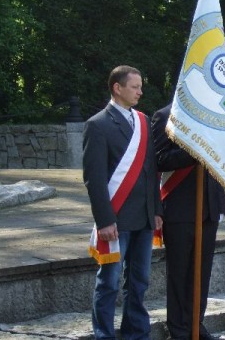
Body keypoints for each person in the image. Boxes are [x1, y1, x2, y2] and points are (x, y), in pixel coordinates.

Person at [83, 65, 163, 339]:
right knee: (109, 283)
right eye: (135, 87)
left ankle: (136, 333)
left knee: (140, 281)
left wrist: (156, 210)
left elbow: (152, 171)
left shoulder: (143, 121)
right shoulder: (97, 125)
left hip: (144, 217)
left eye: (141, 87)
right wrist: (104, 221)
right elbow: (94, 179)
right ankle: (103, 334)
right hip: (116, 219)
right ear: (117, 88)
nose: (140, 92)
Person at [151, 103, 225, 340]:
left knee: (202, 273)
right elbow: (158, 159)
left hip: (209, 206)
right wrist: (194, 151)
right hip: (180, 208)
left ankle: (196, 323)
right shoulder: (165, 116)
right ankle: (179, 329)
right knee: (179, 272)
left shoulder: (214, 117)